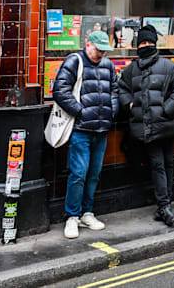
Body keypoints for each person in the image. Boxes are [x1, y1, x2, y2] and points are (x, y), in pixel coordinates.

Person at [117, 24, 174, 227]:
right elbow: (121, 89)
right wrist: (129, 104)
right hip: (147, 127)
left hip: (166, 124)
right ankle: (165, 205)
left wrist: (166, 109)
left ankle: (164, 206)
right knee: (158, 165)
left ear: (155, 43)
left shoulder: (168, 66)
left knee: (168, 164)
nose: (145, 46)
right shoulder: (132, 69)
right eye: (142, 42)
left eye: (149, 42)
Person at [52, 31, 120, 239]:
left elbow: (114, 90)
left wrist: (112, 110)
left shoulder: (108, 65)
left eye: (103, 51)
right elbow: (60, 90)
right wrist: (81, 112)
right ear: (87, 44)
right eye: (97, 50)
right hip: (81, 130)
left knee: (93, 174)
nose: (100, 54)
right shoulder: (75, 60)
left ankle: (87, 213)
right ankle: (72, 216)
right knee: (78, 173)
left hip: (101, 129)